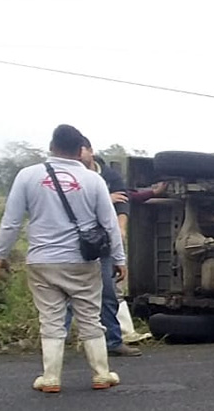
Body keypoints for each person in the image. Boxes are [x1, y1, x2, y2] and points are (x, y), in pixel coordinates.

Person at [0, 124, 126, 393]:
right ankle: (101, 374)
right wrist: (119, 258)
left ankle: (50, 378)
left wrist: (0, 255)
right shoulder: (94, 180)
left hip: (42, 261)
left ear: (51, 147)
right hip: (82, 262)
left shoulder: (27, 176)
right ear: (80, 151)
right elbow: (110, 224)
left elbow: (12, 221)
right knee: (89, 317)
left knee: (50, 319)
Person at [59, 137, 143, 357]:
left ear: (90, 151)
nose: (79, 156)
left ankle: (113, 341)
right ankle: (58, 342)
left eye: (82, 151)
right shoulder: (71, 177)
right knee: (68, 295)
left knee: (108, 293)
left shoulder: (109, 176)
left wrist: (121, 231)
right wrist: (106, 198)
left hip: (102, 243)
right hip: (72, 243)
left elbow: (123, 202)